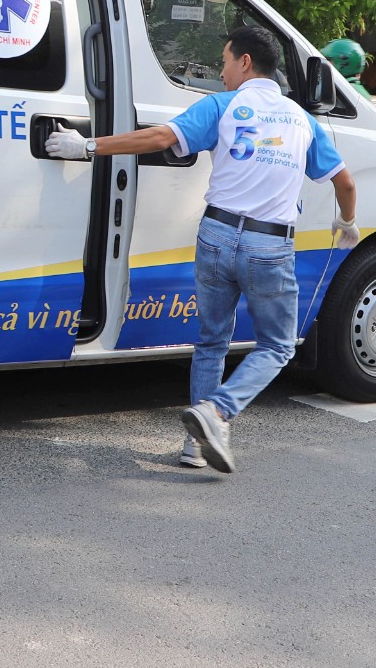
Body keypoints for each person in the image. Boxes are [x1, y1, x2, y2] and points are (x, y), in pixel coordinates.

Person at [45, 25, 360, 473]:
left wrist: (87, 146)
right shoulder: (301, 120)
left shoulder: (221, 106)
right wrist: (346, 222)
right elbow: (345, 183)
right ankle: (216, 412)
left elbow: (159, 139)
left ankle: (196, 443)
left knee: (212, 341)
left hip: (216, 236)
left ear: (245, 62)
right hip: (269, 245)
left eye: (225, 61)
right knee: (276, 346)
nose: (222, 71)